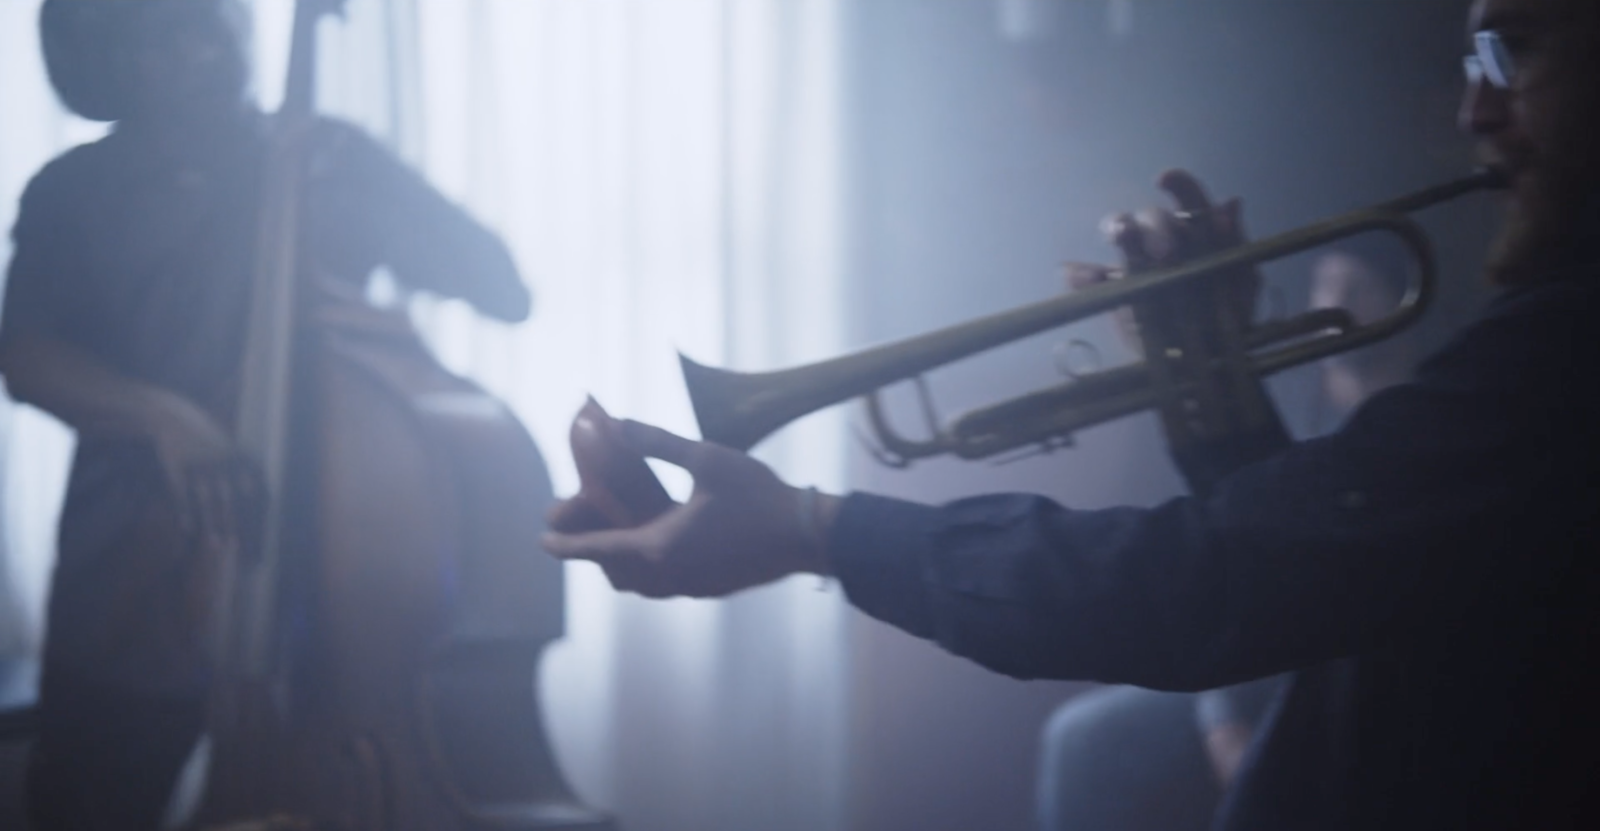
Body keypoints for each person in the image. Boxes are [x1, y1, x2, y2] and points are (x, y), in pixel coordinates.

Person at [545, 0, 1600, 827]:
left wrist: (813, 529)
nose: (1473, 112)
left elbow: (1194, 591)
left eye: (1517, 50)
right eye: (1472, 63)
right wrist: (1209, 382)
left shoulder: (1561, 354)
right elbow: (1312, 586)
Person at [0, 2, 529, 829]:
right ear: (111, 61)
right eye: (166, 32)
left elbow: (503, 290)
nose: (210, 46)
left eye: (217, 17)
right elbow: (24, 352)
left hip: (328, 591)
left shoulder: (328, 159)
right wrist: (163, 416)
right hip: (131, 586)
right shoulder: (73, 193)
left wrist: (371, 180)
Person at [1034, 243, 1422, 831]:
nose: (1334, 302)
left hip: (1355, 663)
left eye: (1355, 286)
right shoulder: (1285, 401)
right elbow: (1234, 551)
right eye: (1325, 285)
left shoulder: (1424, 415)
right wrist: (1222, 715)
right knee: (1078, 735)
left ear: (1402, 298)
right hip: (1253, 655)